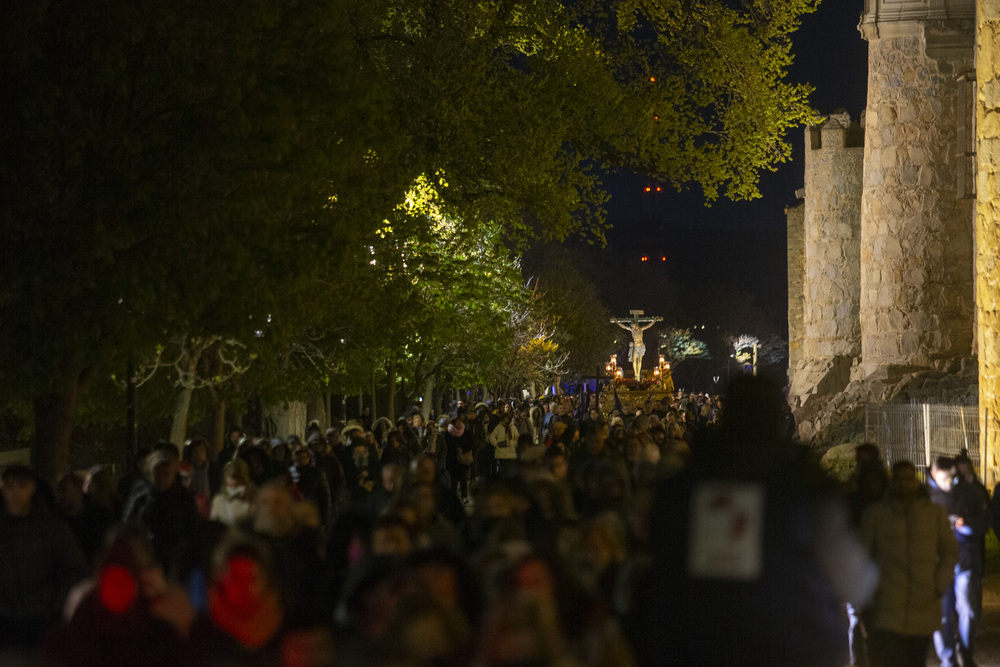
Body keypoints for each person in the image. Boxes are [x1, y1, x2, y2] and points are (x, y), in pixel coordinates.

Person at [862, 460, 958, 667]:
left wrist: (939, 585)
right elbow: (863, 556)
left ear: (915, 480)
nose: (904, 484)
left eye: (908, 478)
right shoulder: (876, 515)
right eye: (899, 478)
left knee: (915, 660)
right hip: (888, 607)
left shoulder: (934, 514)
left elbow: (950, 551)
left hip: (922, 604)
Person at [0, 465, 88, 649]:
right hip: (6, 621)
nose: (15, 491)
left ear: (32, 487)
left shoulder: (51, 528)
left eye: (21, 485)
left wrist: (54, 603)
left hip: (42, 619)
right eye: (9, 486)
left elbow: (74, 568)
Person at [932, 452, 991, 667]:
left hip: (965, 561)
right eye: (946, 478)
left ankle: (965, 654)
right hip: (937, 564)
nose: (951, 483)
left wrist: (965, 524)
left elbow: (985, 522)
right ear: (934, 474)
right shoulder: (926, 496)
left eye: (953, 478)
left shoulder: (969, 492)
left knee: (968, 610)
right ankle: (948, 657)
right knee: (942, 614)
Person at [210, 459, 256, 527]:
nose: (233, 489)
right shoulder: (219, 501)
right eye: (230, 485)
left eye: (236, 485)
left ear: (245, 480)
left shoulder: (256, 498)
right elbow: (213, 528)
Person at [488, 412, 519, 477]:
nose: (506, 421)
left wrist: (513, 444)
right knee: (502, 469)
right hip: (501, 452)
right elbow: (492, 437)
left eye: (507, 419)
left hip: (510, 451)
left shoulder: (512, 427)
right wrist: (496, 444)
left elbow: (517, 437)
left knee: (509, 470)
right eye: (504, 419)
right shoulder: (498, 427)